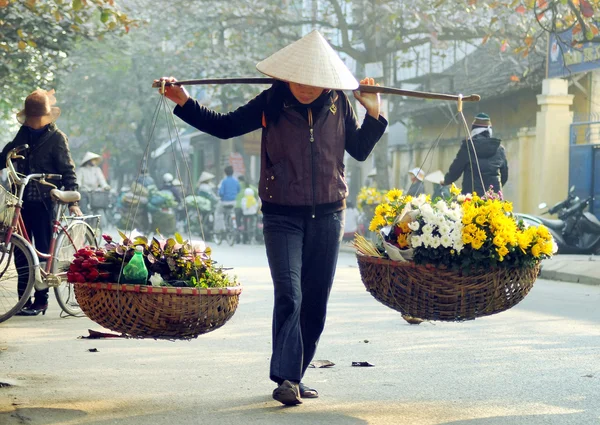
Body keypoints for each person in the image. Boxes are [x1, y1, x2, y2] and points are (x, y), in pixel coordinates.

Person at [157, 29, 387, 406]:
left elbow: (360, 151)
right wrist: (184, 102)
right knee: (290, 294)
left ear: (326, 79)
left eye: (315, 80)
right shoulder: (272, 102)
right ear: (286, 76)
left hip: (329, 215)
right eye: (300, 79)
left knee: (315, 301)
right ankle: (286, 378)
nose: (307, 88)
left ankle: (294, 375)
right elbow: (226, 125)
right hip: (281, 214)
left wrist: (373, 112)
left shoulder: (339, 104)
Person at [0, 89, 82, 316]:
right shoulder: (23, 134)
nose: (34, 123)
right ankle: (22, 300)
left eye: (37, 119)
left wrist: (73, 197)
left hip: (45, 201)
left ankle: (42, 299)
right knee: (20, 251)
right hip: (20, 200)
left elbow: (68, 170)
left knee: (43, 248)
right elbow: (5, 155)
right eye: (31, 119)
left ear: (46, 118)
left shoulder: (57, 138)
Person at [441, 113, 508, 195]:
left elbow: (456, 170)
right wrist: (495, 191)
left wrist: (446, 181)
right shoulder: (499, 149)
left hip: (471, 199)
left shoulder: (468, 147)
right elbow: (504, 176)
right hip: (493, 200)